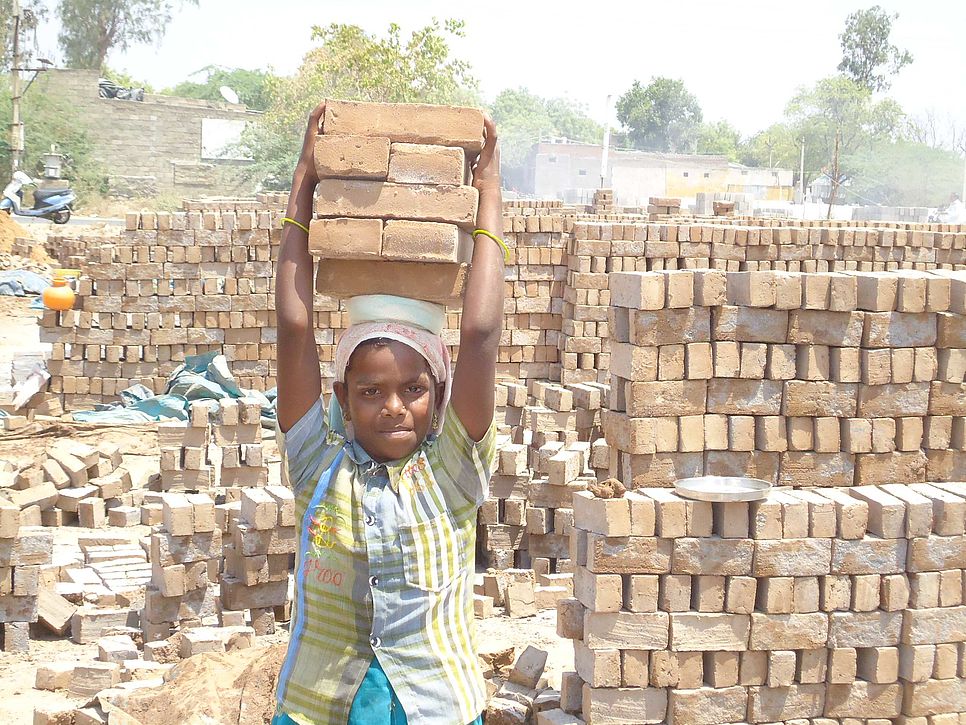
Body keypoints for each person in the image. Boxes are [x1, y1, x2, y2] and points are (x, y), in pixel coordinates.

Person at [272, 101, 505, 725]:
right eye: (370, 391)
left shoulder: (454, 470)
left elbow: (480, 334)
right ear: (342, 400)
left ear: (441, 396)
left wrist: (489, 192)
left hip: (433, 706)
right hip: (320, 706)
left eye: (414, 389)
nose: (394, 407)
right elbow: (295, 329)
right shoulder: (317, 465)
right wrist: (306, 178)